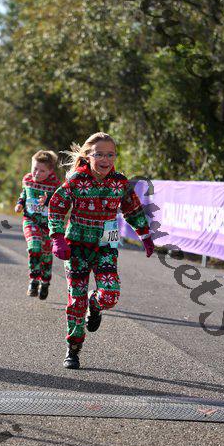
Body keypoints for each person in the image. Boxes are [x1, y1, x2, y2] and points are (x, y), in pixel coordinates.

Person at [48, 132, 155, 370]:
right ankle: (73, 349)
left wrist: (145, 235)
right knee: (76, 301)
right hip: (76, 247)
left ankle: (94, 304)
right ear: (88, 156)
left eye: (110, 155)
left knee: (110, 295)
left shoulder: (119, 182)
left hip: (106, 246)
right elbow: (56, 206)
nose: (105, 160)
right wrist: (57, 237)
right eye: (99, 155)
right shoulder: (77, 180)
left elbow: (133, 209)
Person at [15, 150, 61, 300]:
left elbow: (61, 202)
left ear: (50, 171)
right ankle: (34, 280)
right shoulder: (27, 179)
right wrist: (20, 203)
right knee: (34, 246)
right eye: (35, 168)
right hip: (30, 220)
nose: (37, 173)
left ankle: (45, 282)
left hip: (48, 225)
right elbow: (24, 193)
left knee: (46, 254)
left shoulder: (55, 184)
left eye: (42, 171)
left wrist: (48, 201)